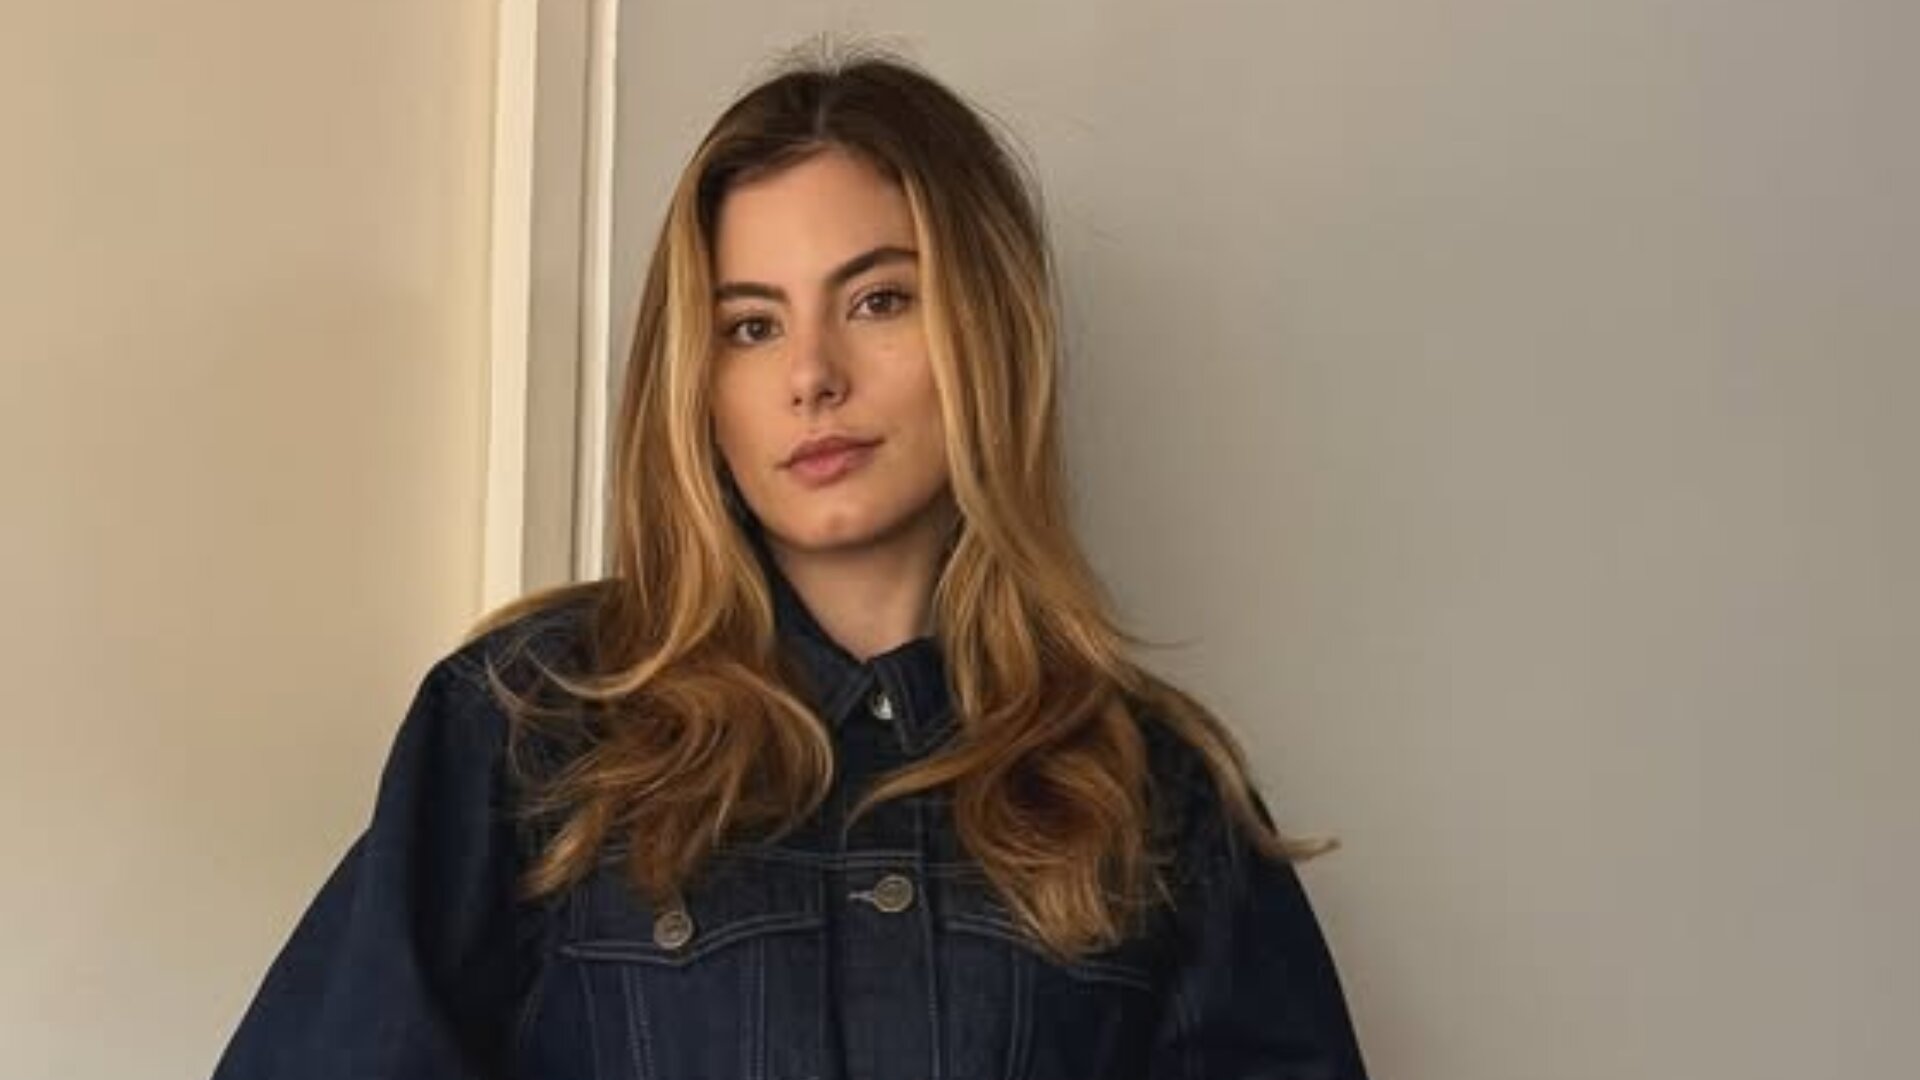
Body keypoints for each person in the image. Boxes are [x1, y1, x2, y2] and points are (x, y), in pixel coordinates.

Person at [213, 46, 1370, 1080]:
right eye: (752, 326)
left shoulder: (1147, 784)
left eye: (878, 300)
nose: (812, 375)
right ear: (698, 382)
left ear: (987, 332)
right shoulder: (532, 726)